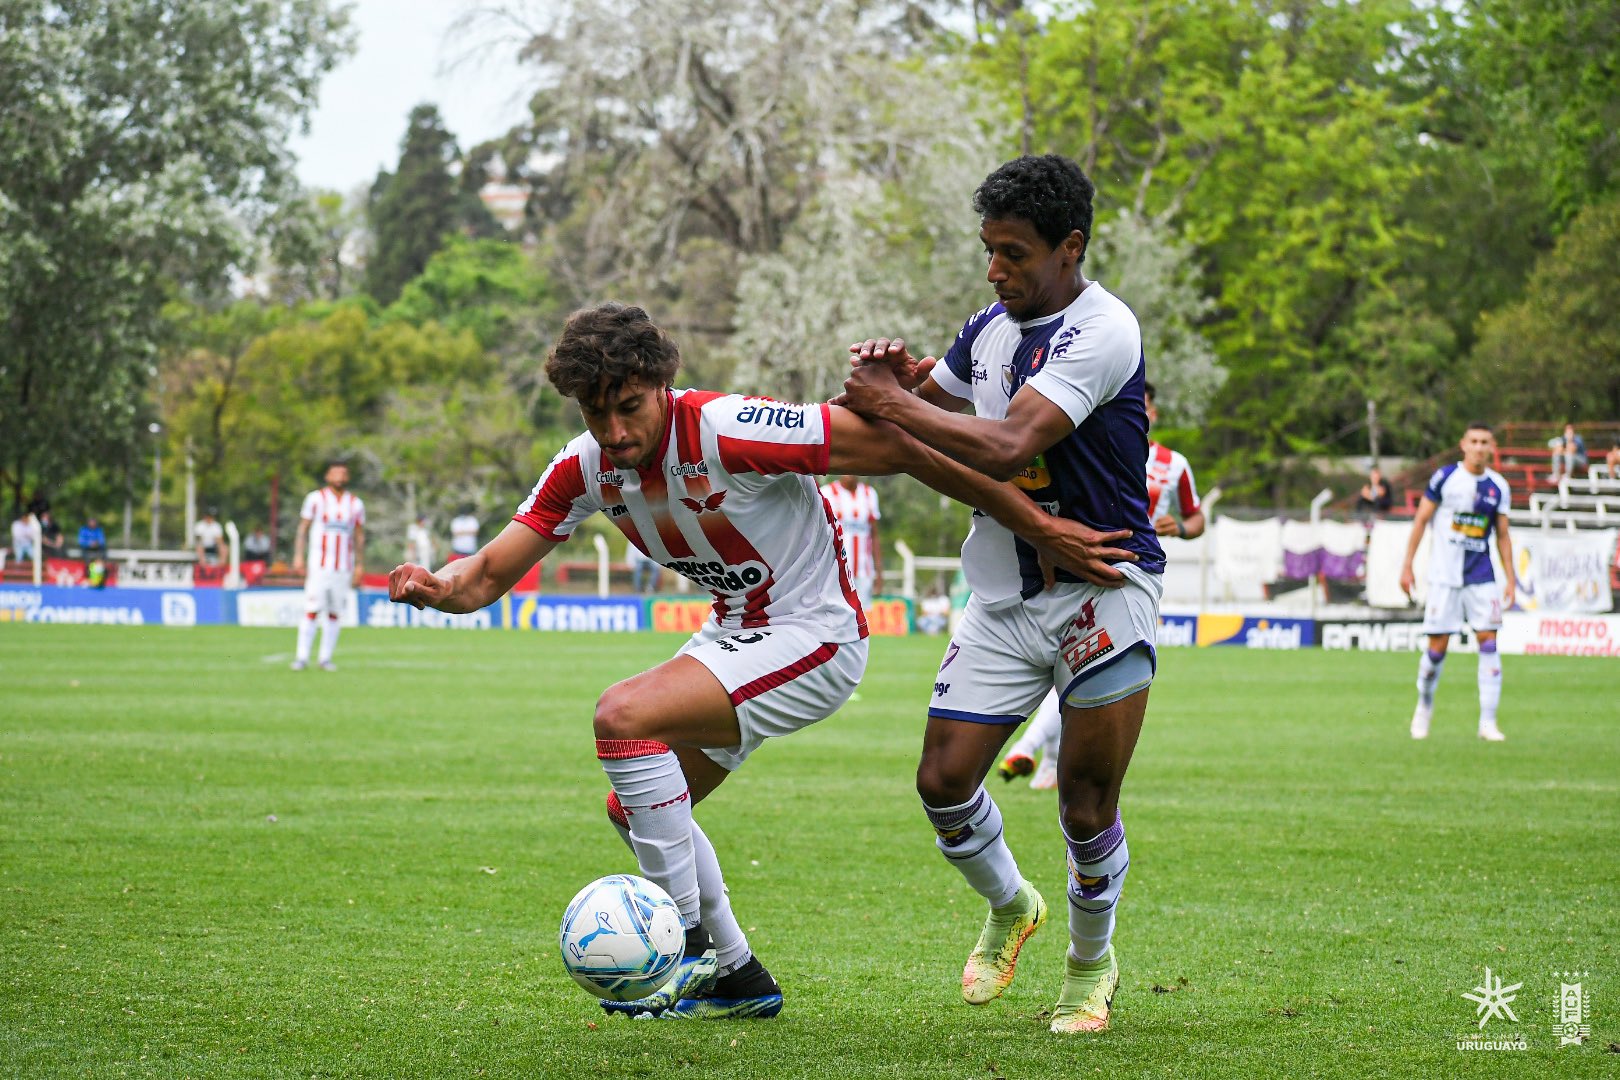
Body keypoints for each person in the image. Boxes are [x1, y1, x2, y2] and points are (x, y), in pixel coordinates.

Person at [388, 302, 1129, 1021]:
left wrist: (1038, 525)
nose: (614, 432)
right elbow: (484, 575)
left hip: (815, 636)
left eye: (630, 407)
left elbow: (900, 449)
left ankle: (675, 948)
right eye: (594, 413)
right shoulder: (585, 469)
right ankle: (738, 976)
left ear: (664, 384)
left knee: (622, 717)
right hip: (738, 637)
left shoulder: (729, 427)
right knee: (639, 810)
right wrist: (436, 585)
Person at [838, 154, 1165, 1035]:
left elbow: (1002, 441)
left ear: (1071, 248)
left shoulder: (1104, 330)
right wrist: (897, 382)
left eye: (1013, 253)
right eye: (988, 250)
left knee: (1085, 803)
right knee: (943, 782)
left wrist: (896, 407)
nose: (995, 270)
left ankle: (1090, 969)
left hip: (1103, 587)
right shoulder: (990, 325)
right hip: (1005, 593)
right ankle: (1013, 903)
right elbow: (923, 411)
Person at [999, 380, 1204, 792]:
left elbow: (1197, 519)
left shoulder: (1173, 464)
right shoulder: (1092, 445)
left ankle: (1035, 751)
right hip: (1073, 566)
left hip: (1130, 577)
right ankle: (1040, 756)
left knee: (1081, 668)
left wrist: (1179, 528)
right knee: (1072, 666)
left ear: (1153, 412)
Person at [1399, 422, 1515, 742]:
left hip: (1481, 578)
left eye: (1485, 442)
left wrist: (1511, 578)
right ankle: (1423, 707)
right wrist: (1407, 566)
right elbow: (1421, 520)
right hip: (1444, 578)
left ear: (1492, 448)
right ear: (1463, 444)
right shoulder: (1445, 478)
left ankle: (1488, 722)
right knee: (1437, 649)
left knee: (1489, 642)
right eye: (1474, 441)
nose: (1479, 447)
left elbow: (1503, 535)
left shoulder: (1498, 487)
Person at [291, 462, 365, 672]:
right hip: (319, 566)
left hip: (343, 567)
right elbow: (303, 528)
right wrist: (298, 556)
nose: (340, 476)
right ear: (327, 476)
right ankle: (302, 657)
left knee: (334, 612)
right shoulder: (315, 499)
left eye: (344, 473)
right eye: (336, 472)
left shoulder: (355, 503)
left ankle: (325, 658)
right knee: (312, 609)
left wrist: (360, 565)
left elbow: (359, 535)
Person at [818, 474, 883, 605]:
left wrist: (879, 572)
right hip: (835, 571)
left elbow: (874, 535)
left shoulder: (869, 494)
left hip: (863, 571)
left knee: (862, 618)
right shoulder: (827, 492)